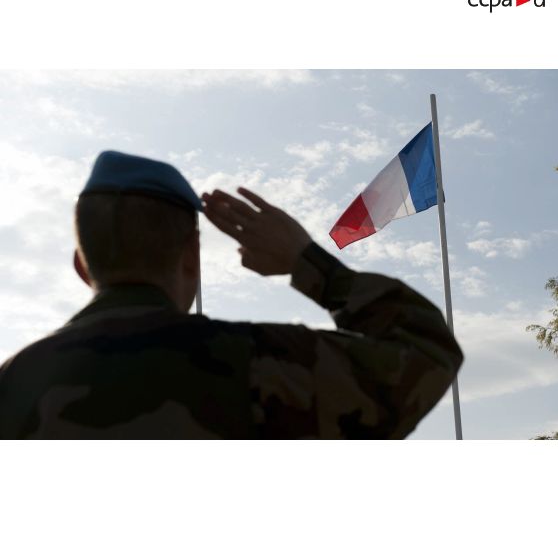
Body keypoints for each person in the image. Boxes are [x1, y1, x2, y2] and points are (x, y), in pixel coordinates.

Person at [0, 151, 463, 439]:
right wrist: (308, 263)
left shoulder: (13, 386)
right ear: (192, 256)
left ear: (82, 266)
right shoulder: (258, 364)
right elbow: (425, 350)